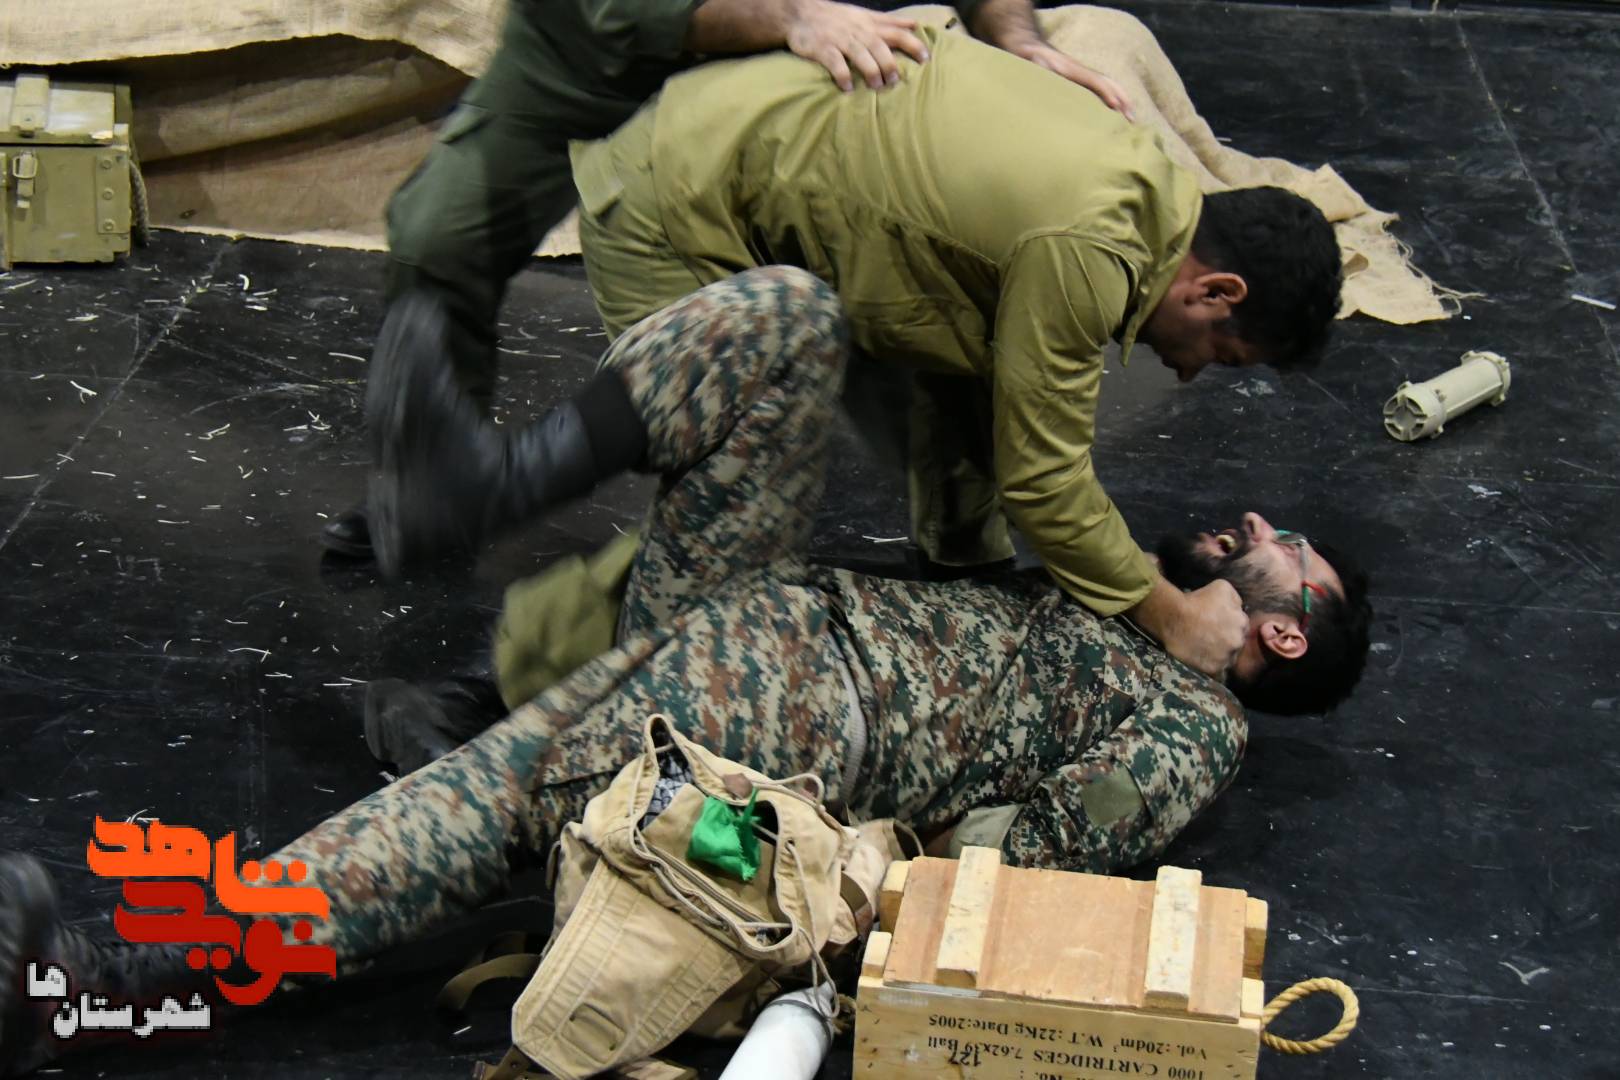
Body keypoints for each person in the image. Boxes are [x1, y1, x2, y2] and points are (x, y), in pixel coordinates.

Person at [0, 269, 1370, 1077]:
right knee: (785, 319)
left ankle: (108, 984)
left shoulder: (1196, 728)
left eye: (1281, 552)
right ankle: (492, 484)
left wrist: (828, 871)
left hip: (792, 717)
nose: (1255, 527)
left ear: (1286, 632)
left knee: (477, 807)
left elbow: (1017, 859)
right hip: (766, 621)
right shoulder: (1132, 594)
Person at [364, 22, 1346, 684]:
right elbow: (1046, 477)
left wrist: (974, 582)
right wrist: (1168, 613)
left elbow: (988, 397)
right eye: (1218, 354)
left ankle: (955, 566)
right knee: (723, 506)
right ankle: (503, 674)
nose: (1186, 371)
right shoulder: (1092, 248)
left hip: (778, 178)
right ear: (1216, 290)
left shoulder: (1140, 179)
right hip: (677, 192)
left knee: (965, 377)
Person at [319, 0, 1133, 558]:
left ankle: (961, 551)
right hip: (610, 55)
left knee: (916, 280)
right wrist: (790, 14)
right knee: (438, 232)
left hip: (808, 66)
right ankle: (437, 492)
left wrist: (1017, 40)